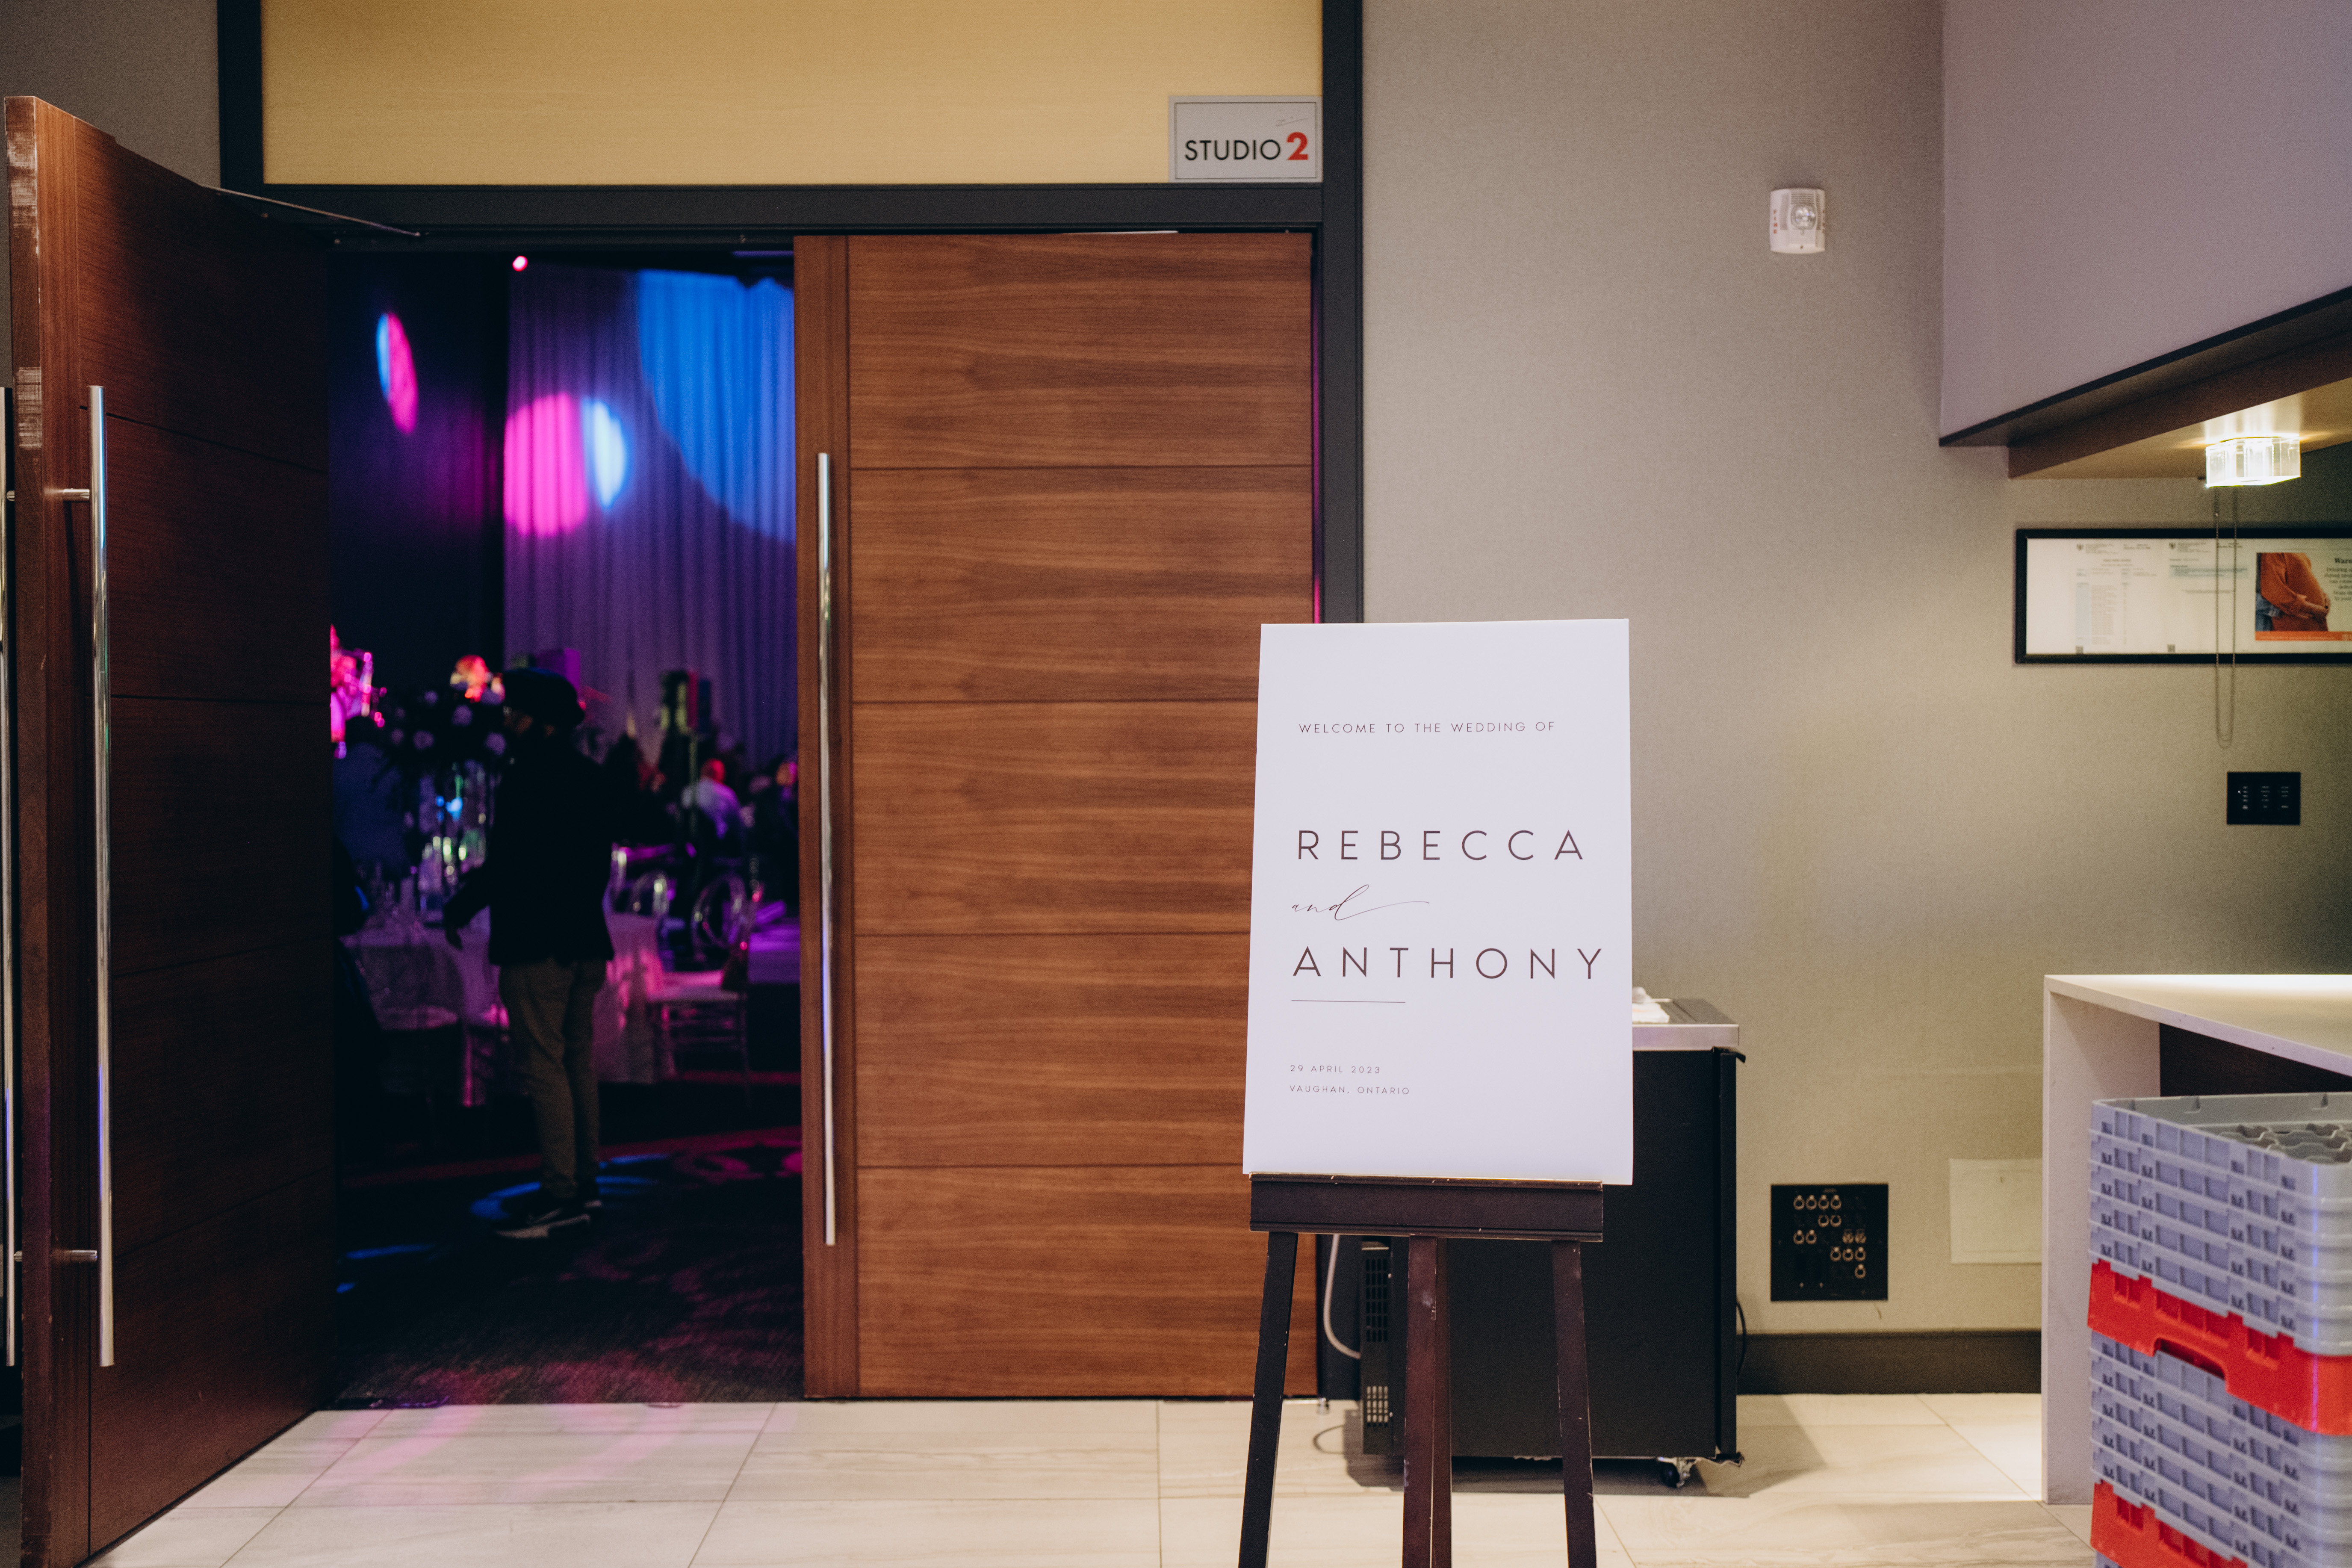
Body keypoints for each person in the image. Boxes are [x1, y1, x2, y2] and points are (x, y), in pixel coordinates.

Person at [442, 668, 616, 1239]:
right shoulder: (591, 777)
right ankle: (586, 1184)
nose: (507, 722)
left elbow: (509, 864)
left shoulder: (524, 778)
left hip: (537, 942)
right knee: (577, 1063)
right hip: (585, 939)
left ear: (539, 723)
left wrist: (461, 905)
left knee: (544, 1067)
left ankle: (560, 1194)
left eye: (515, 713)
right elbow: (595, 866)